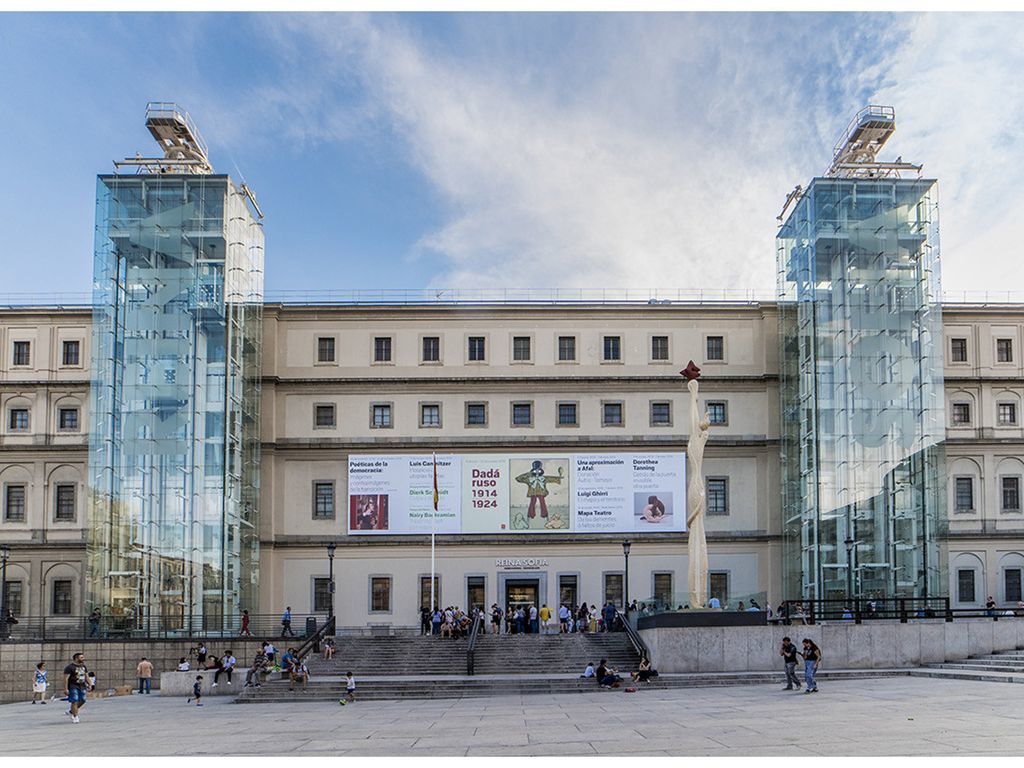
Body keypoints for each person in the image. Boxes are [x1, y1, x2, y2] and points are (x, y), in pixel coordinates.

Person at [63, 652, 92, 723]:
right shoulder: (69, 667)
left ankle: (71, 711)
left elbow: (86, 676)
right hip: (73, 686)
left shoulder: (83, 666)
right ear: (76, 658)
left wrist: (90, 684)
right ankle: (75, 716)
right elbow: (65, 679)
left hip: (82, 685)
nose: (83, 658)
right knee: (74, 701)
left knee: (83, 700)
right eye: (81, 657)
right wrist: (66, 689)